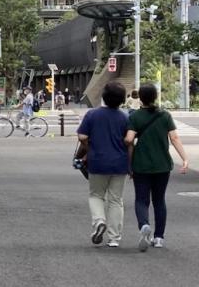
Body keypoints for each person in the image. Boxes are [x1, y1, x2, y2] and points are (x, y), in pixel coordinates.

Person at [126, 83, 189, 251]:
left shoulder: (135, 116)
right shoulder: (165, 115)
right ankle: (159, 237)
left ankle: (144, 225)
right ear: (155, 97)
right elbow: (175, 138)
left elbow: (129, 139)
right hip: (163, 165)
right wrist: (184, 159)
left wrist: (129, 164)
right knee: (159, 200)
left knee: (141, 199)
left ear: (140, 98)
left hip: (141, 165)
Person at [76, 81, 129, 247]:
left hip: (97, 161)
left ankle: (99, 221)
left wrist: (89, 149)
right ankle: (114, 238)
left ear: (104, 97)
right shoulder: (125, 117)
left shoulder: (92, 115)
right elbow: (130, 142)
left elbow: (82, 136)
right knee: (116, 200)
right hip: (120, 163)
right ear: (122, 100)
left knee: (96, 195)